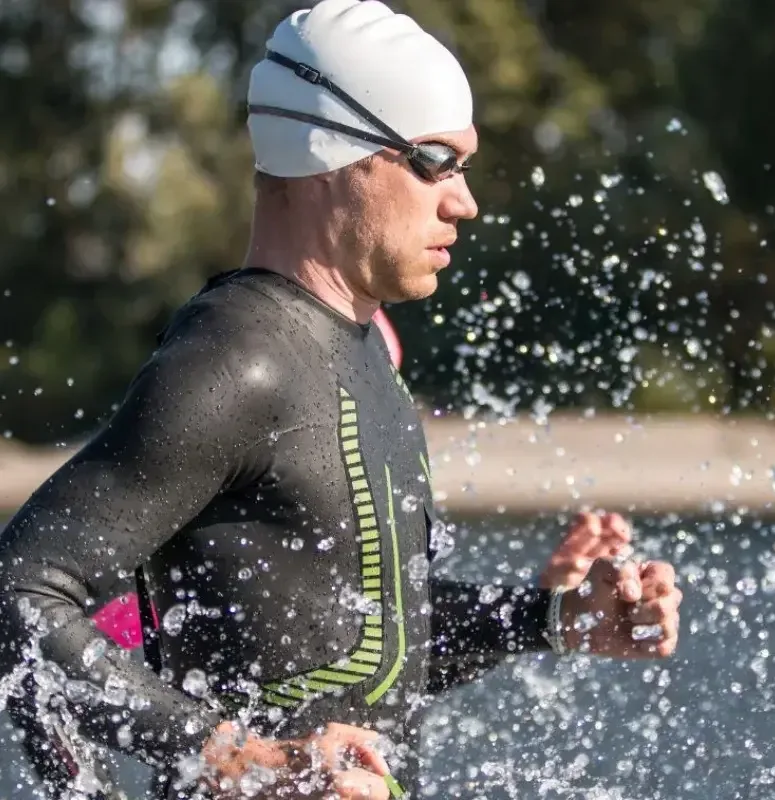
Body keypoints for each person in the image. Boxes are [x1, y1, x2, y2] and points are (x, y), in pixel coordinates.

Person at [0, 1, 683, 798]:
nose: (463, 201)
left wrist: (550, 617)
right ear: (332, 151)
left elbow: (368, 641)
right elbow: (20, 593)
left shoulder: (364, 353)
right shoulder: (237, 359)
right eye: (435, 162)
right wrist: (236, 758)